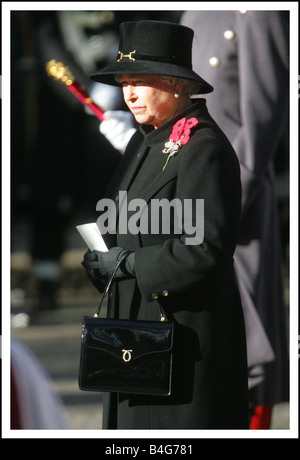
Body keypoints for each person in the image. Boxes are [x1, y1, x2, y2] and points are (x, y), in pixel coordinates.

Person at [81, 20, 249, 430]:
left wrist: (132, 265)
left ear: (176, 84)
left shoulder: (203, 147)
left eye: (140, 81)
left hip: (184, 344)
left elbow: (206, 249)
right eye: (124, 82)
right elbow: (124, 218)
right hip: (137, 340)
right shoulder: (145, 139)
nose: (129, 94)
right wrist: (101, 257)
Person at [180, 10, 289, 429]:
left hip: (233, 206)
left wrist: (220, 206)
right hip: (188, 195)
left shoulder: (256, 13)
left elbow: (261, 122)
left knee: (243, 354)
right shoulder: (193, 10)